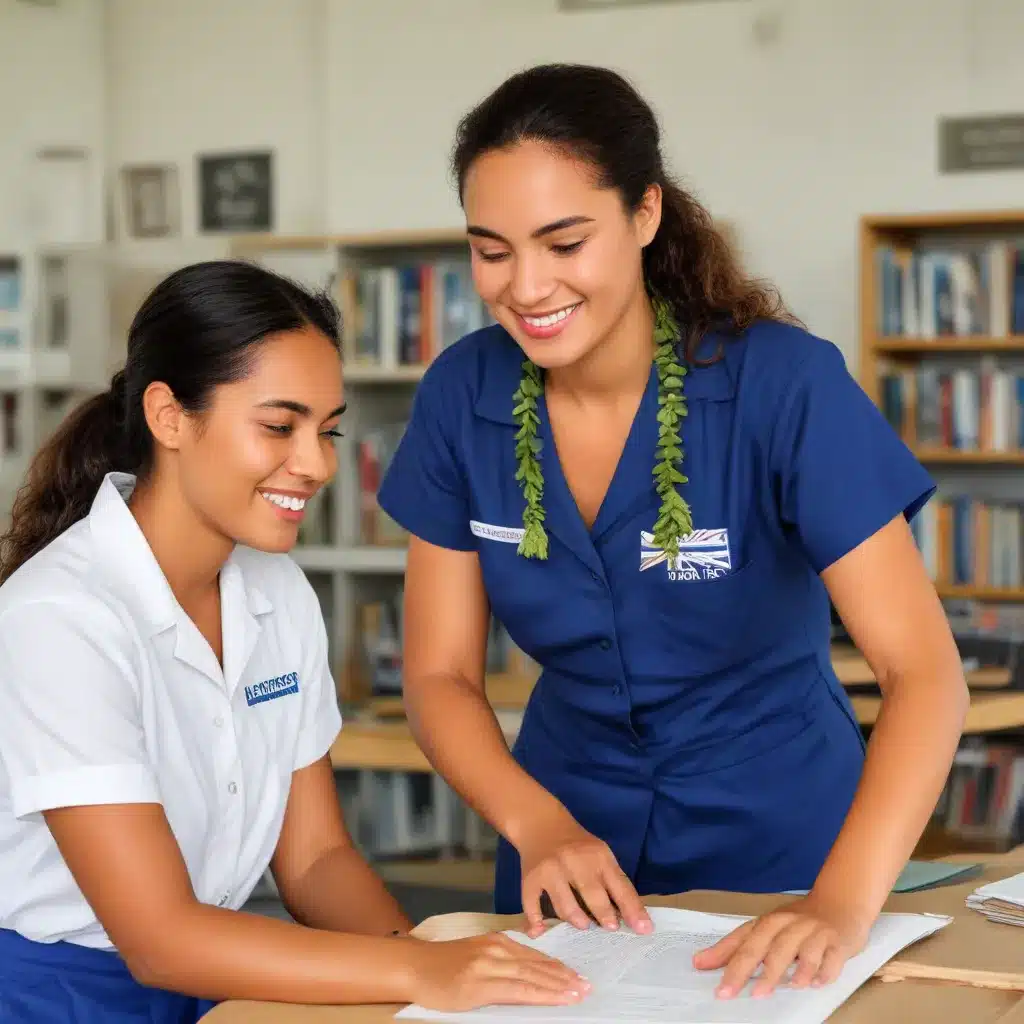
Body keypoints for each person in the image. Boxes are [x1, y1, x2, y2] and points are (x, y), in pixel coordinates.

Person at [376, 63, 969, 1001]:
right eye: (491, 251)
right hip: (563, 854)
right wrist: (537, 825)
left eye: (564, 242)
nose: (526, 287)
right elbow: (439, 675)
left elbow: (924, 675)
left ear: (645, 213)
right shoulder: (463, 393)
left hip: (792, 854)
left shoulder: (782, 386)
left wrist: (842, 903)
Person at [0, 260, 590, 1023]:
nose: (318, 465)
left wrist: (435, 982)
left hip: (223, 974)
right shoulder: (60, 616)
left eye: (329, 429)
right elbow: (159, 938)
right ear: (169, 416)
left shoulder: (276, 591)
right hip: (59, 997)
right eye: (280, 426)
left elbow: (315, 862)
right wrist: (420, 967)